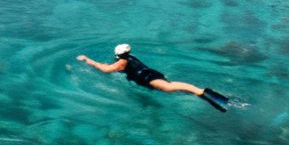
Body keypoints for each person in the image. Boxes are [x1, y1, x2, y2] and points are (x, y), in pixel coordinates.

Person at [78, 43, 228, 111]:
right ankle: (197, 92)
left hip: (148, 78)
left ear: (117, 55)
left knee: (169, 88)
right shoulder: (130, 58)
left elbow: (105, 69)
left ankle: (200, 91)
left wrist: (88, 60)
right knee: (171, 85)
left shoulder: (120, 63)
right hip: (152, 73)